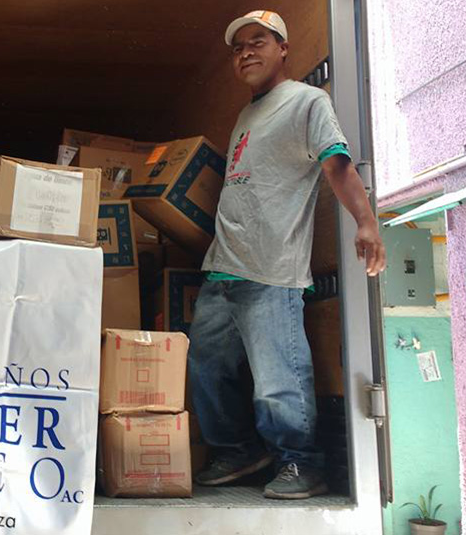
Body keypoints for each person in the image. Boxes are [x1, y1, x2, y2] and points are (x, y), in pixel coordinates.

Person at [188, 10, 386, 500]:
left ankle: (303, 463)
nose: (246, 52)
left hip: (271, 271)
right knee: (206, 366)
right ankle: (239, 449)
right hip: (223, 268)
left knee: (277, 381)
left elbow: (336, 164)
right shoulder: (245, 115)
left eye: (259, 41)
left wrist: (365, 221)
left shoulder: (307, 102)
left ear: (283, 49)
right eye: (238, 48)